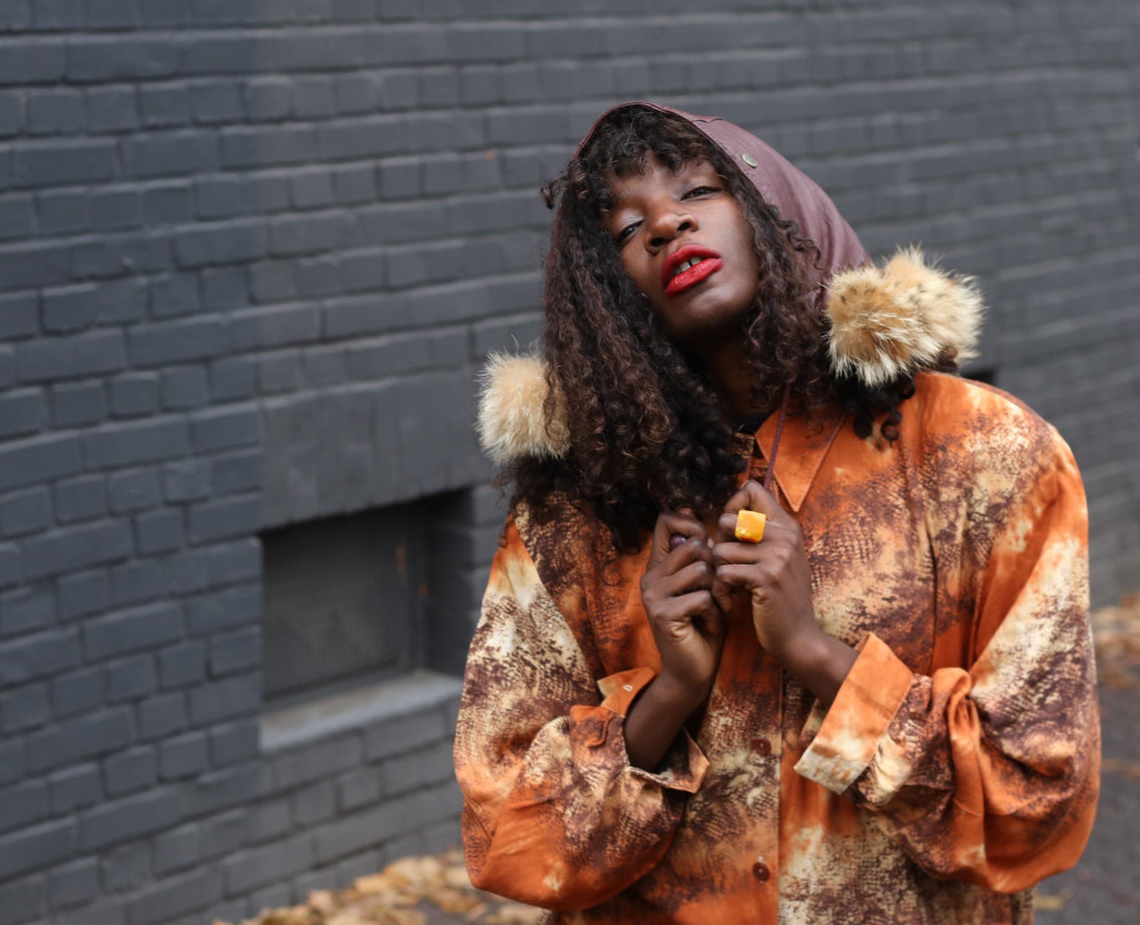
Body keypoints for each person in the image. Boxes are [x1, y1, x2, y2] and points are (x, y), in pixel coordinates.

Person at [454, 103, 1099, 924]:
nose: (665, 225)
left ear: (778, 209)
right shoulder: (577, 508)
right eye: (625, 230)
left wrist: (814, 652)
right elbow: (507, 836)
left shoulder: (981, 454)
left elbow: (1033, 807)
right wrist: (668, 697)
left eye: (698, 188)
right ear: (602, 299)